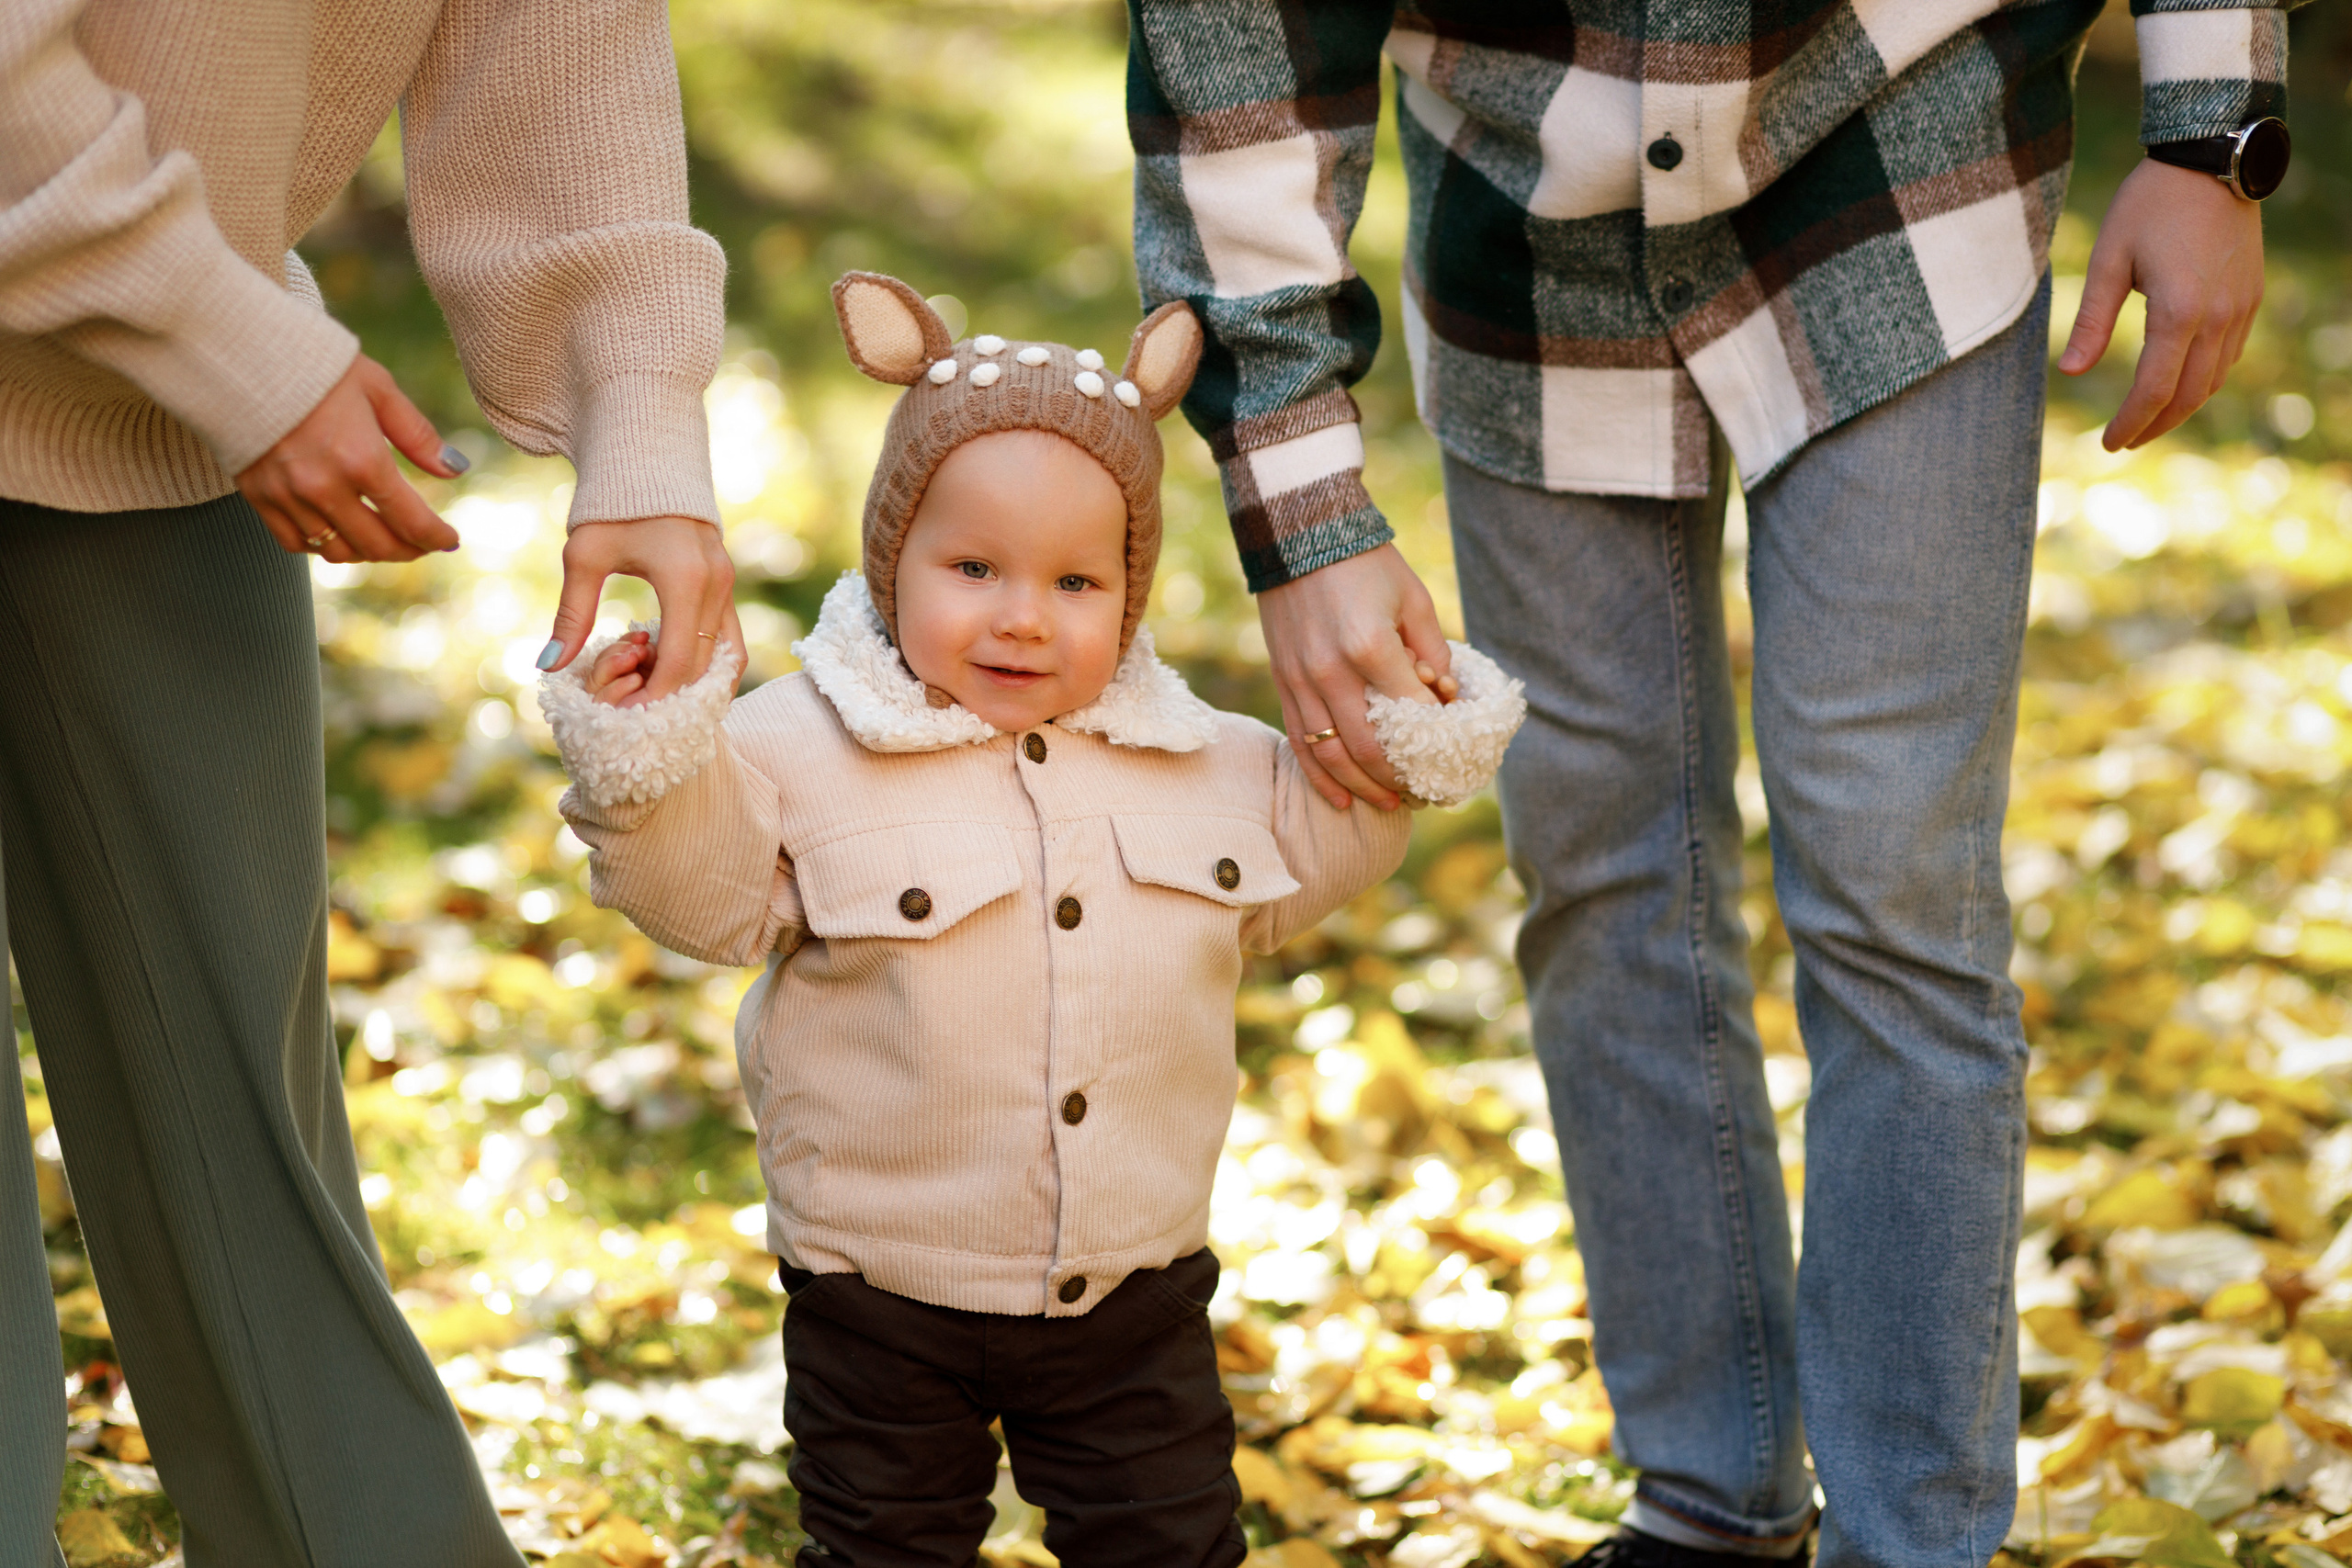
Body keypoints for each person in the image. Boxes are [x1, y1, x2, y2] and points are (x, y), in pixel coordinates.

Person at [1125, 3, 2295, 1565]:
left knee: (1894, 886)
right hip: (1533, 219)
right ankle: (1707, 1509)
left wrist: (2210, 132)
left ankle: (1913, 1546)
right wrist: (1302, 498)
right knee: (1602, 874)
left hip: (1904, 148)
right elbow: (1239, 36)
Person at [537, 272, 1522, 1568]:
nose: (1021, 615)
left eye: (1075, 583)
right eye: (973, 568)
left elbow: (1321, 839)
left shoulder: (1201, 758)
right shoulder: (792, 746)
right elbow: (706, 901)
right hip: (879, 1289)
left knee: (1169, 1543)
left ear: (1130, 592)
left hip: (1132, 1289)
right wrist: (650, 764)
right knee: (887, 1547)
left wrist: (1404, 733)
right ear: (894, 556)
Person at [0, 3, 737, 1563]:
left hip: (150, 408)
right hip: (197, 354)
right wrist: (238, 347)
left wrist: (642, 428)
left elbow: (560, 43)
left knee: (249, 1135)